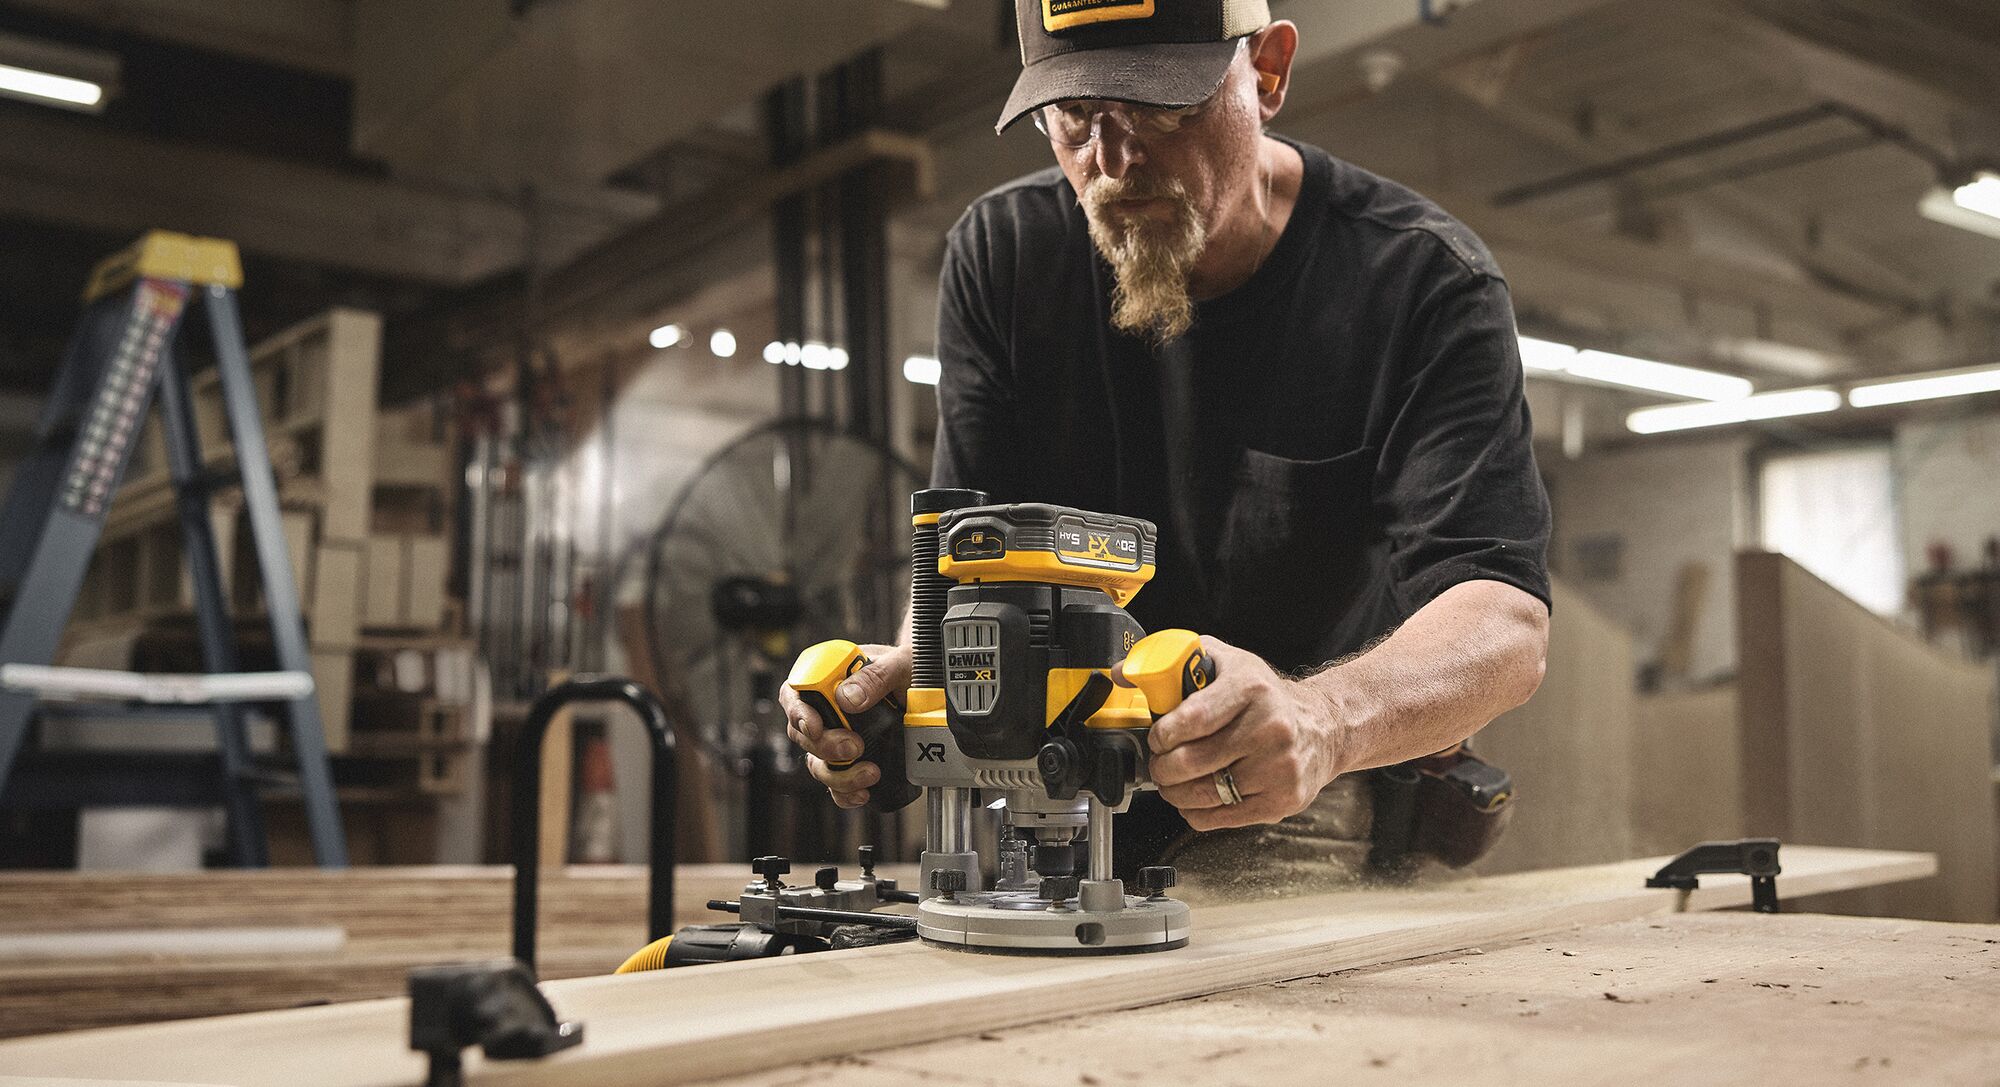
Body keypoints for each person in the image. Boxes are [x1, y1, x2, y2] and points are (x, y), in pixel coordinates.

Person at [780, 0, 1551, 889]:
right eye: (1076, 116)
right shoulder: (1003, 256)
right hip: (1062, 776)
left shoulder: (1420, 283)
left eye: (1160, 109)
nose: (1111, 161)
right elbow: (966, 567)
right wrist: (908, 676)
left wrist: (1322, 716)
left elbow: (1504, 622)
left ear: (1266, 73)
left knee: (1236, 914)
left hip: (1298, 780)